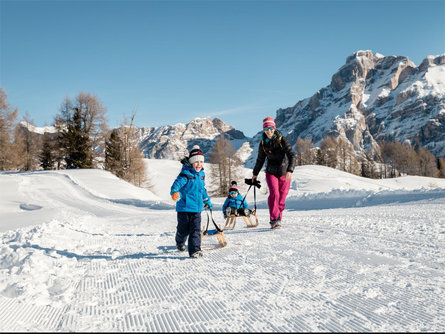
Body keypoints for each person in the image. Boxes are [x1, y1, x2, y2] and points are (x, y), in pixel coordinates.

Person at [252, 116, 296, 229]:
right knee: (274, 194)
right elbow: (260, 160)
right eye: (266, 129)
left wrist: (290, 170)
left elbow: (292, 155)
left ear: (274, 128)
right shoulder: (263, 144)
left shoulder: (282, 140)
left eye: (271, 128)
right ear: (264, 130)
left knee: (281, 198)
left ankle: (278, 218)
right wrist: (255, 174)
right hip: (271, 172)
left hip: (284, 172)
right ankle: (274, 219)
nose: (269, 131)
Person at [170, 145, 212, 258]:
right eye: (196, 162)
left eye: (201, 162)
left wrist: (206, 199)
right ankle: (179, 241)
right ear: (191, 162)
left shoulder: (202, 175)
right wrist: (174, 192)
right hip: (184, 208)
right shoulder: (185, 174)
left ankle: (195, 250)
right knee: (183, 230)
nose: (199, 164)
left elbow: (202, 189)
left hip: (197, 208)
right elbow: (176, 184)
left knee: (195, 230)